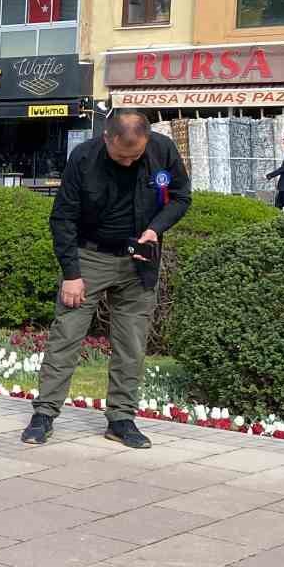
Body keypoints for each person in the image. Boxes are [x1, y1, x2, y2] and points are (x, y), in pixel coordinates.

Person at [21, 108, 191, 450]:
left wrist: (154, 229)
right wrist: (72, 274)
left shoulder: (162, 150)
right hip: (90, 256)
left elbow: (181, 197)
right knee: (66, 335)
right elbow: (63, 218)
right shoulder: (84, 158)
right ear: (106, 139)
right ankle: (44, 414)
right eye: (120, 156)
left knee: (131, 342)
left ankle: (121, 419)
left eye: (136, 156)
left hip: (139, 260)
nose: (128, 162)